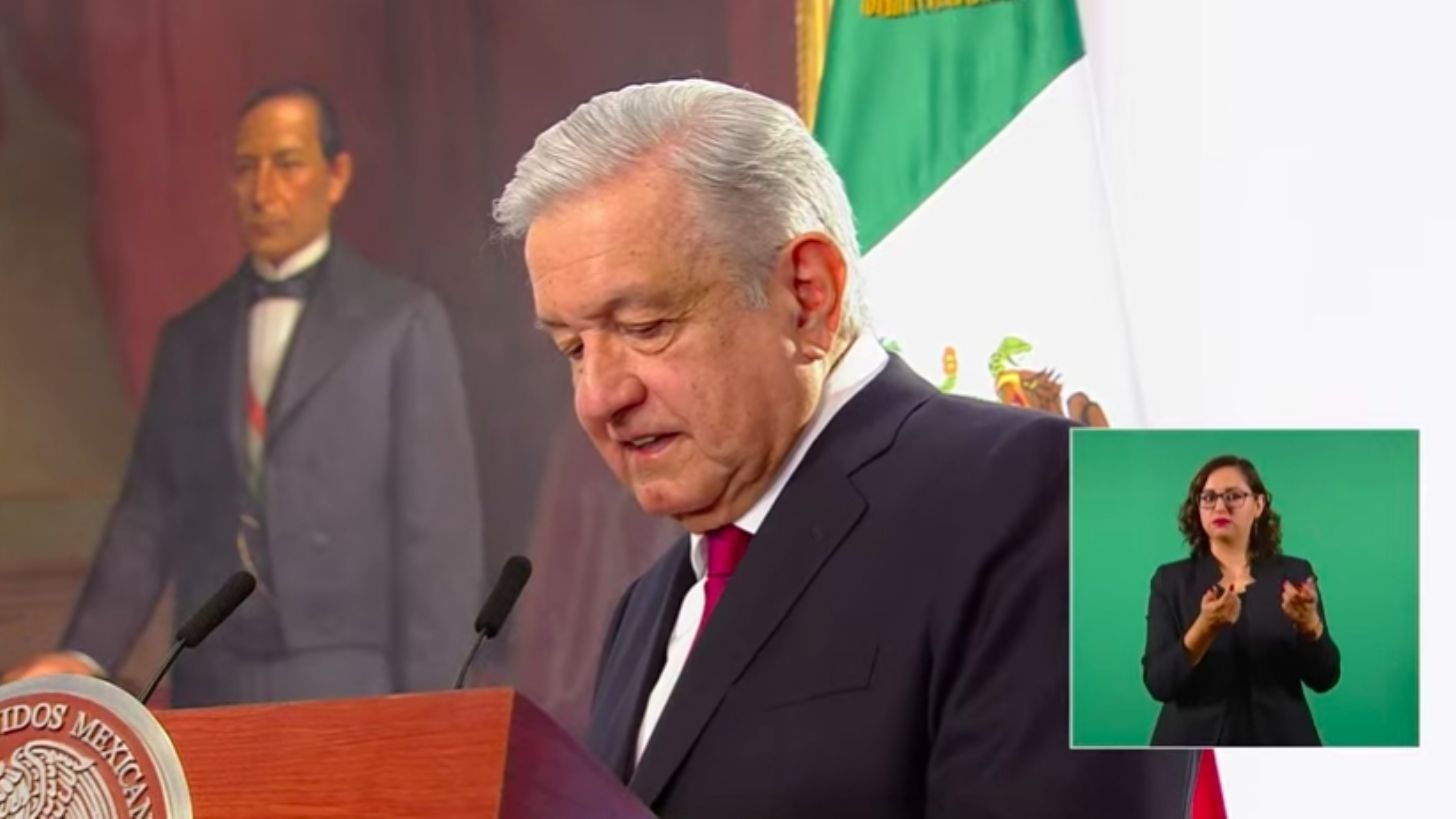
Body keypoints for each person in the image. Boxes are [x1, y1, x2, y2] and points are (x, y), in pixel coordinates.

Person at [494, 78, 1193, 818]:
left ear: (808, 296)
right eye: (573, 348)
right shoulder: (645, 608)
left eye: (645, 327)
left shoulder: (1073, 497)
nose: (599, 397)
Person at [3, 84, 485, 706]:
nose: (263, 192)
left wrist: (436, 713)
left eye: (287, 164)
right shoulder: (190, 339)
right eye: (245, 168)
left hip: (352, 684)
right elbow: (147, 514)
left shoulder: (402, 323)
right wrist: (82, 655)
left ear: (336, 176)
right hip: (211, 678)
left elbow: (438, 539)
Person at [1143, 454, 1340, 746]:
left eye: (1233, 496)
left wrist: (1310, 625)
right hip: (1195, 749)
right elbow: (1159, 683)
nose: (1220, 506)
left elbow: (1325, 678)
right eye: (1208, 497)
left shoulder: (1295, 575)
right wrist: (1205, 627)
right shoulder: (1170, 581)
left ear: (1258, 504)